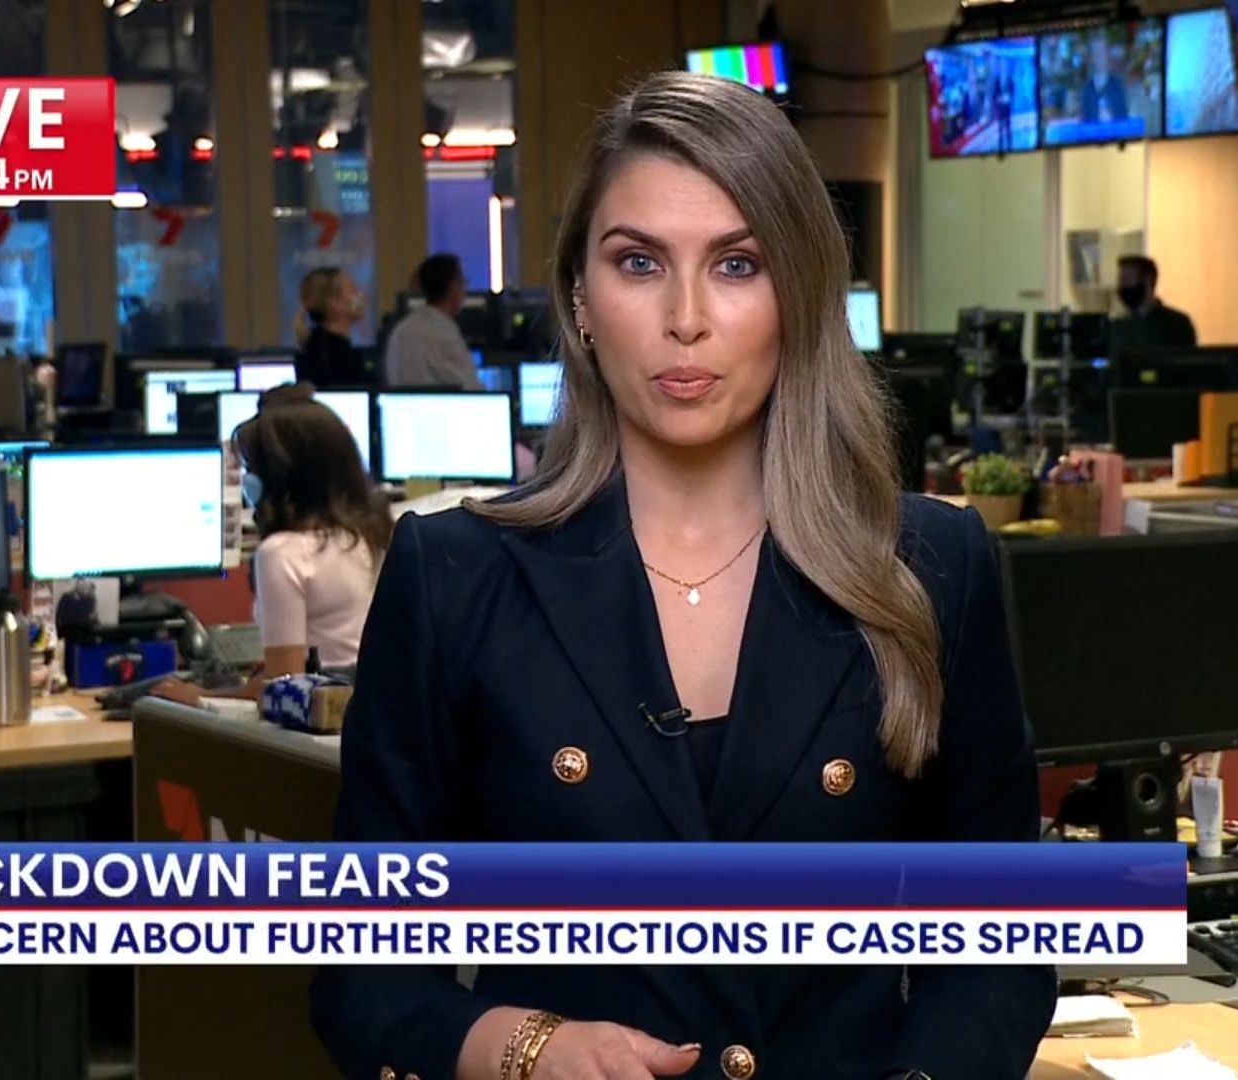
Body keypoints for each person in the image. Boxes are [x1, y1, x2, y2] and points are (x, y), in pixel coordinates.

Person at [310, 72, 1051, 1080]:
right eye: (639, 262)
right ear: (581, 296)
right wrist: (528, 1048)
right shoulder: (454, 578)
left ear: (798, 295)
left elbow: (1004, 948)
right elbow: (362, 977)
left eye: (737, 264)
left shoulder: (932, 566)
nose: (686, 317)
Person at [153, 383, 387, 714]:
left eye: (252, 469)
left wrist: (200, 696)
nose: (247, 479)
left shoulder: (283, 553)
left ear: (282, 476)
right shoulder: (371, 534)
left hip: (319, 719)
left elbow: (284, 686)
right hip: (367, 714)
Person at [385, 253, 483, 389]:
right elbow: (470, 388)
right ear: (454, 288)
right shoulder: (444, 334)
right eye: (462, 283)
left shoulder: (401, 330)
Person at [1108, 254, 1198, 351]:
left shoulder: (1177, 324)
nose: (1122, 286)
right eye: (1120, 281)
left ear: (1147, 281)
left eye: (1126, 280)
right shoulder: (1117, 328)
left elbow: (1188, 358)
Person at [295, 268, 368, 387]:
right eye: (353, 289)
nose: (360, 294)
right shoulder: (342, 360)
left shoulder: (312, 346)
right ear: (334, 303)